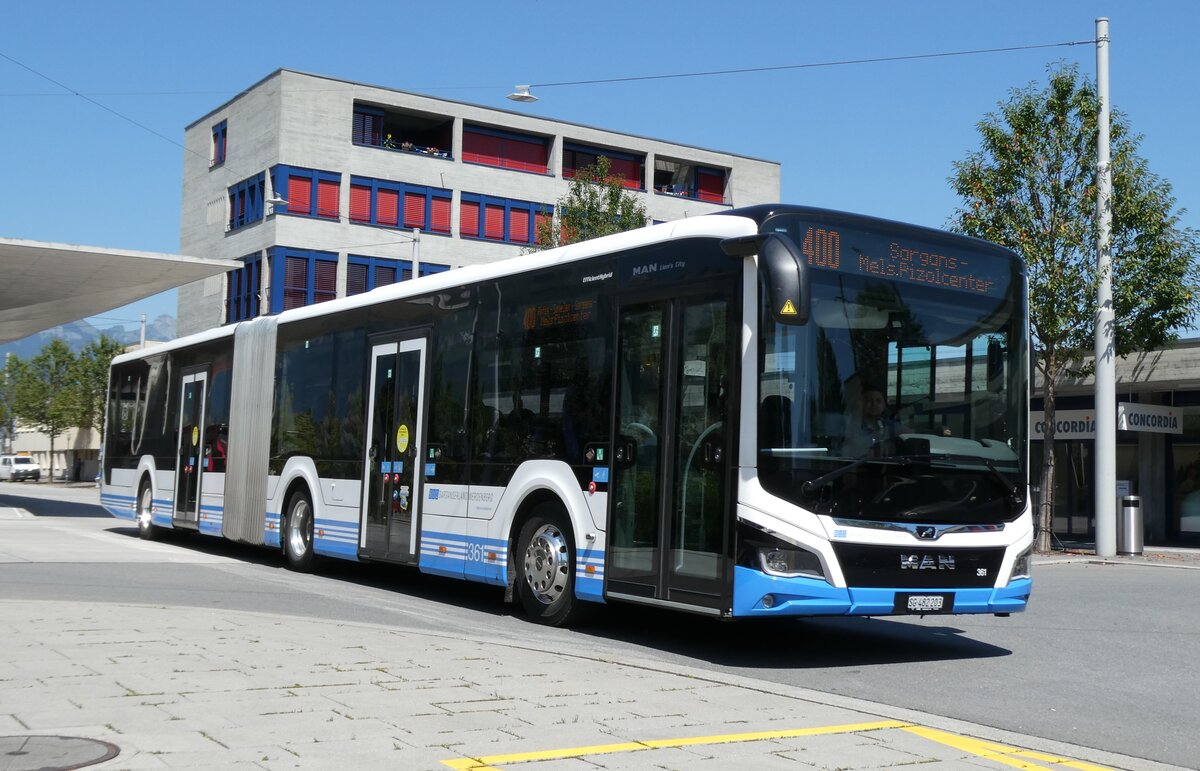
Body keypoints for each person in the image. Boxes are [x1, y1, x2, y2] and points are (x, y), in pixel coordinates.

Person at [843, 387, 902, 456]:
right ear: (862, 404)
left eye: (878, 401)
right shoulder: (850, 427)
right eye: (869, 400)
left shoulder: (893, 428)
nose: (874, 404)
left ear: (884, 405)